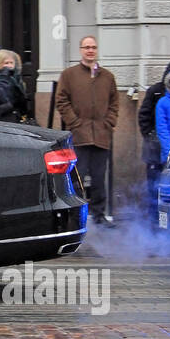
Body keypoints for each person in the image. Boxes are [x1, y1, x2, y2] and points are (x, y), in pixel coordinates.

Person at [55, 35, 119, 227]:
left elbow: (114, 103)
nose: (90, 50)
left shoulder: (107, 77)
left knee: (99, 179)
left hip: (101, 135)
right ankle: (76, 217)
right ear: (81, 50)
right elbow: (61, 100)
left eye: (93, 47)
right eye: (86, 47)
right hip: (79, 136)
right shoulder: (69, 75)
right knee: (77, 179)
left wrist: (109, 122)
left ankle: (99, 215)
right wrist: (74, 123)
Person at [138, 59, 170, 212]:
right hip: (154, 148)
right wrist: (149, 136)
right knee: (154, 184)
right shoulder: (155, 91)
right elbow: (144, 115)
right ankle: (154, 215)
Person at [0, 49, 29, 123]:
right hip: (2, 116)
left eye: (11, 63)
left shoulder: (16, 77)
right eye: (6, 63)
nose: (9, 66)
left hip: (15, 114)